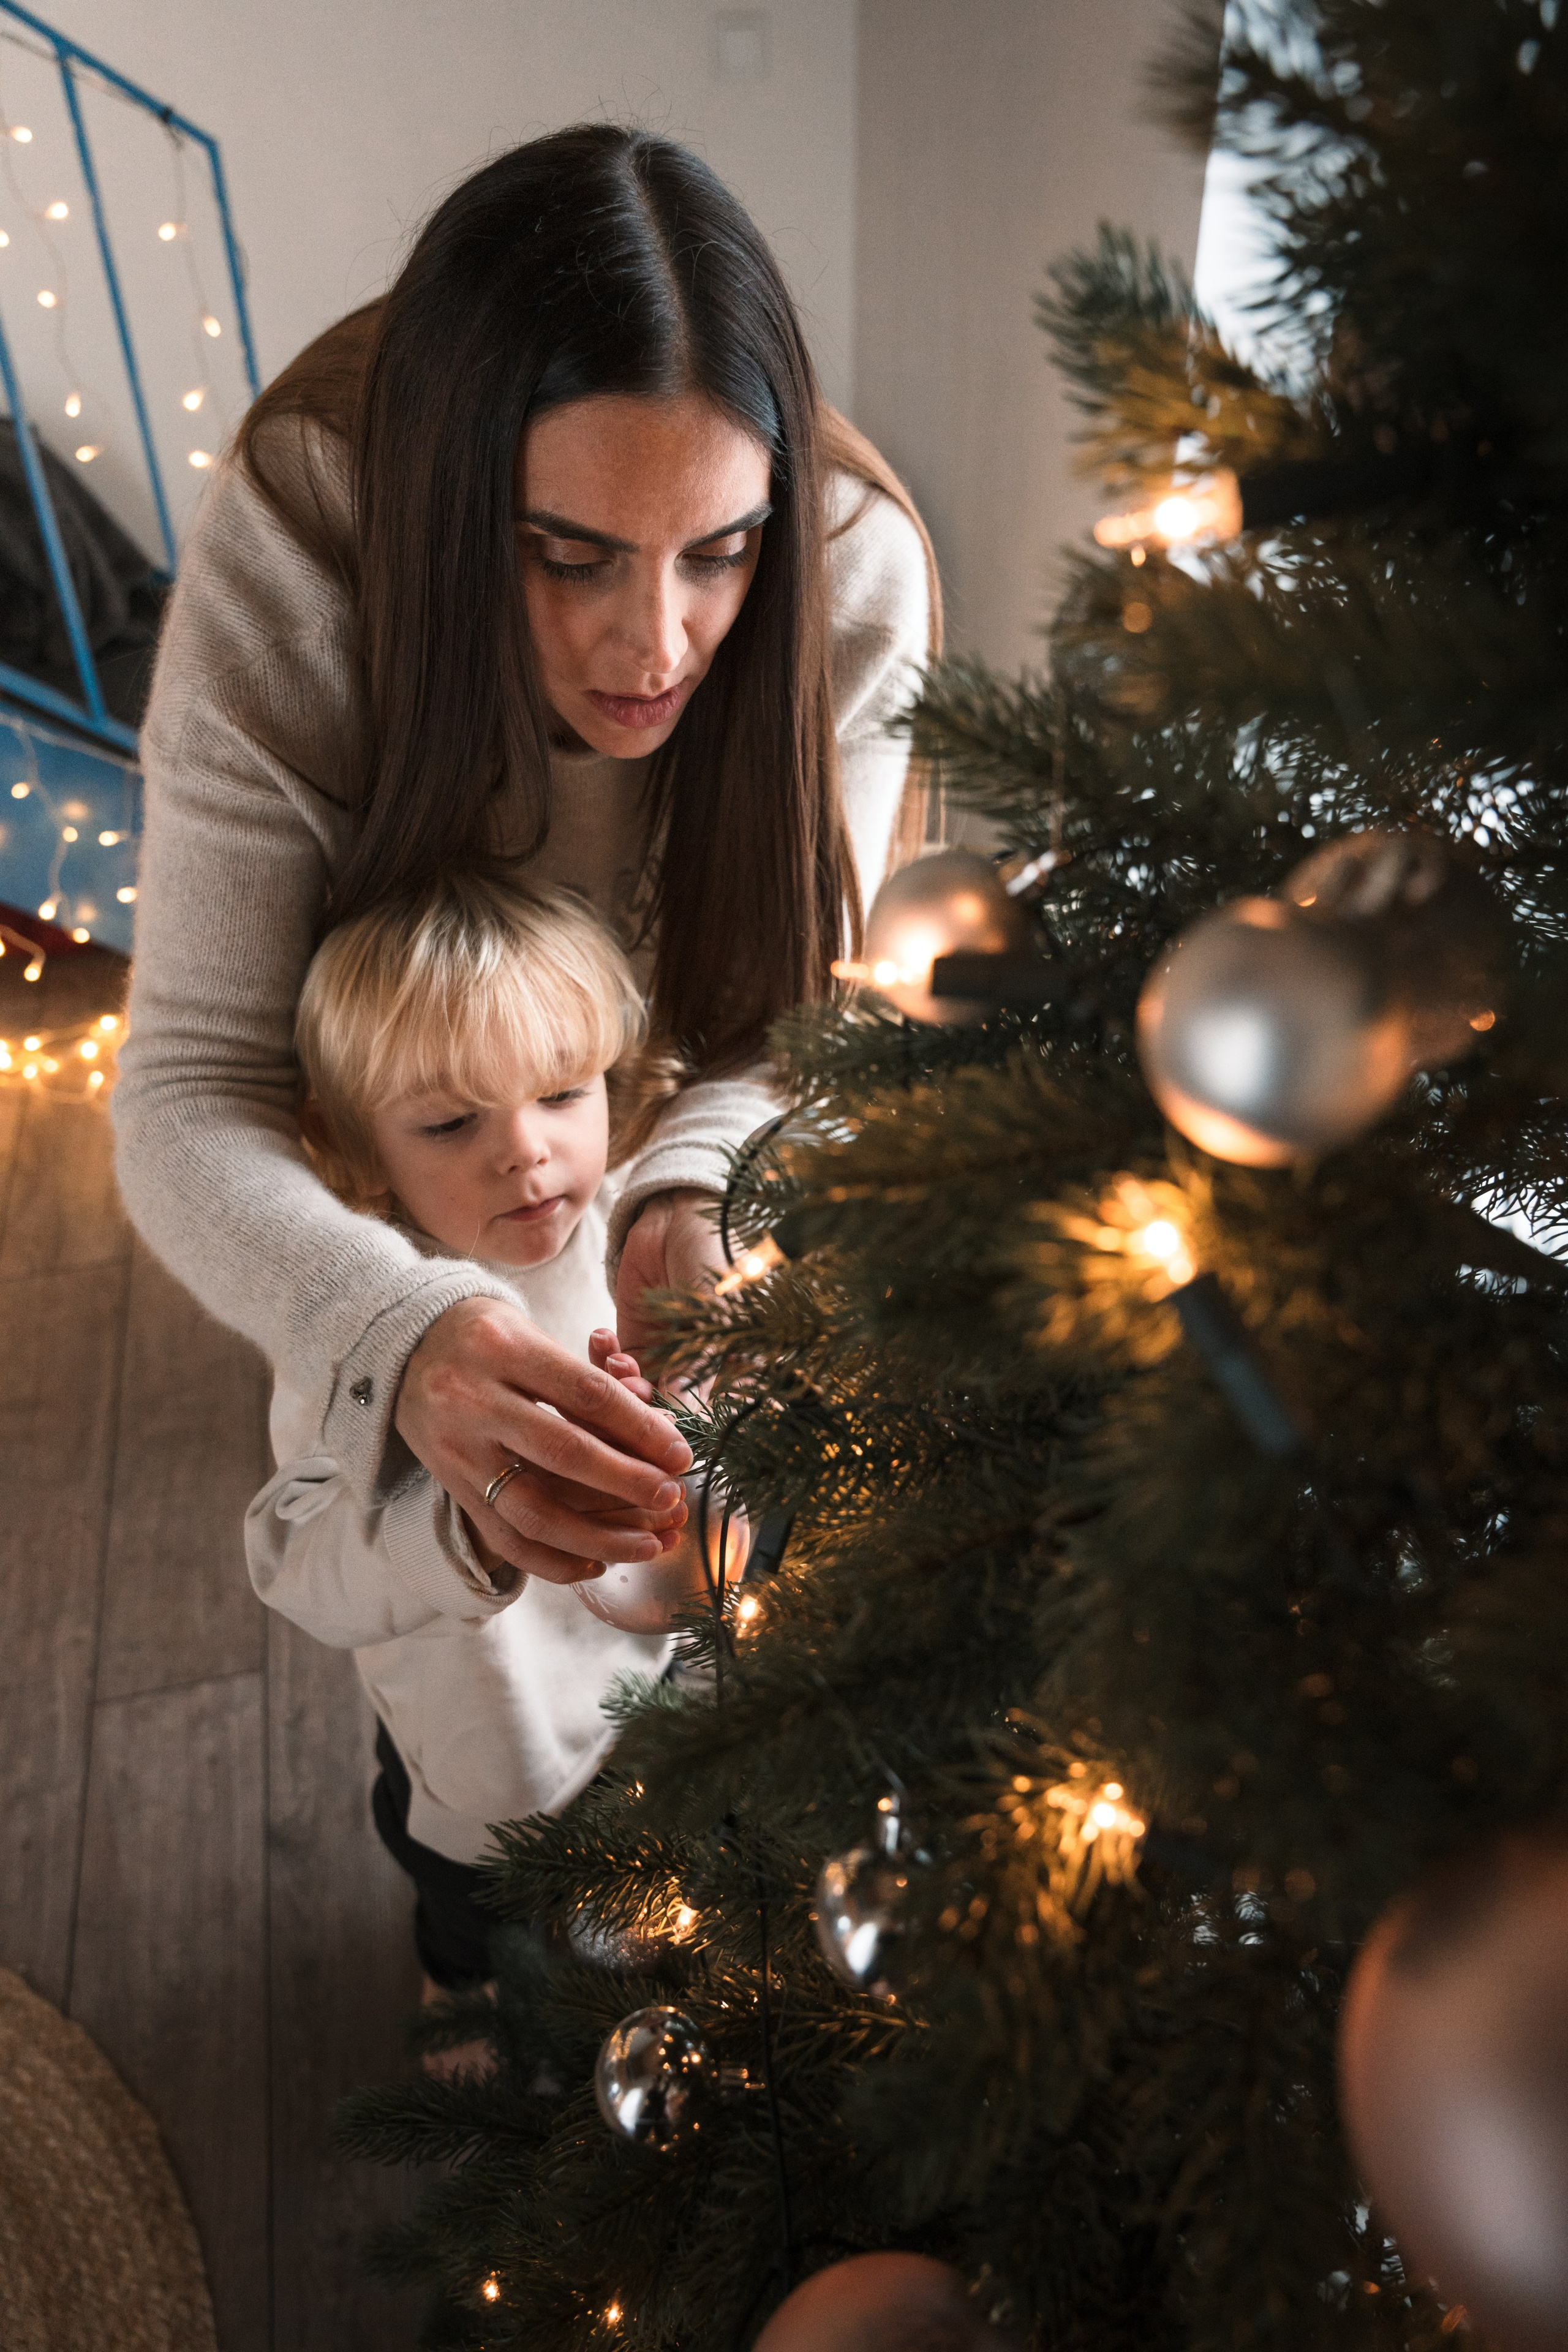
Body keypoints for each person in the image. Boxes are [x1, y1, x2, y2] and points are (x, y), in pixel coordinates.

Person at [113, 123, 937, 1601]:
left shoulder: (855, 568)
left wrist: (695, 1190)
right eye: (569, 555)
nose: (658, 647)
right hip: (384, 1216)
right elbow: (191, 1090)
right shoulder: (309, 528)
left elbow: (801, 1031)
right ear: (442, 515)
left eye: (722, 552)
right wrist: (402, 1331)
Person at [246, 872, 683, 1994]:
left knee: (651, 1831)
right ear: (352, 1146)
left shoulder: (634, 1226)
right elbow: (296, 1568)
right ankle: (455, 1985)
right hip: (481, 1743)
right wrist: (454, 1528)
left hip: (647, 1677)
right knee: (470, 1900)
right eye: (450, 1122)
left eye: (562, 1092)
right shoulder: (362, 1338)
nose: (529, 1154)